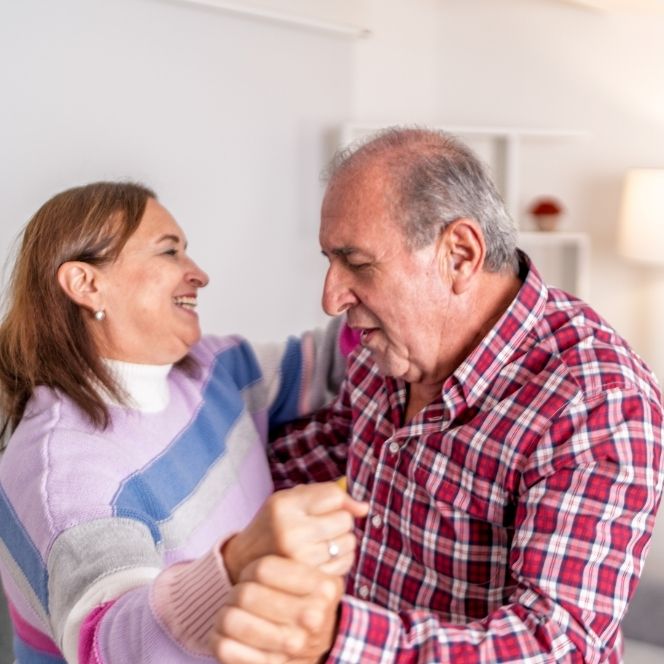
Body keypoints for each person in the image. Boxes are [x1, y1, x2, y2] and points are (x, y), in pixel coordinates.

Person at [211, 127, 664, 663]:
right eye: (329, 260)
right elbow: (328, 447)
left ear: (460, 255)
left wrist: (333, 638)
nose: (331, 298)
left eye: (357, 263)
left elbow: (556, 648)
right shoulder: (391, 349)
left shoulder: (597, 403)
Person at [0, 181, 368, 663]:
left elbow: (328, 364)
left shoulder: (210, 368)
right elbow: (109, 646)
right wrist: (234, 565)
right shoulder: (64, 471)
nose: (199, 274)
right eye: (169, 251)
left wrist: (388, 281)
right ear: (87, 284)